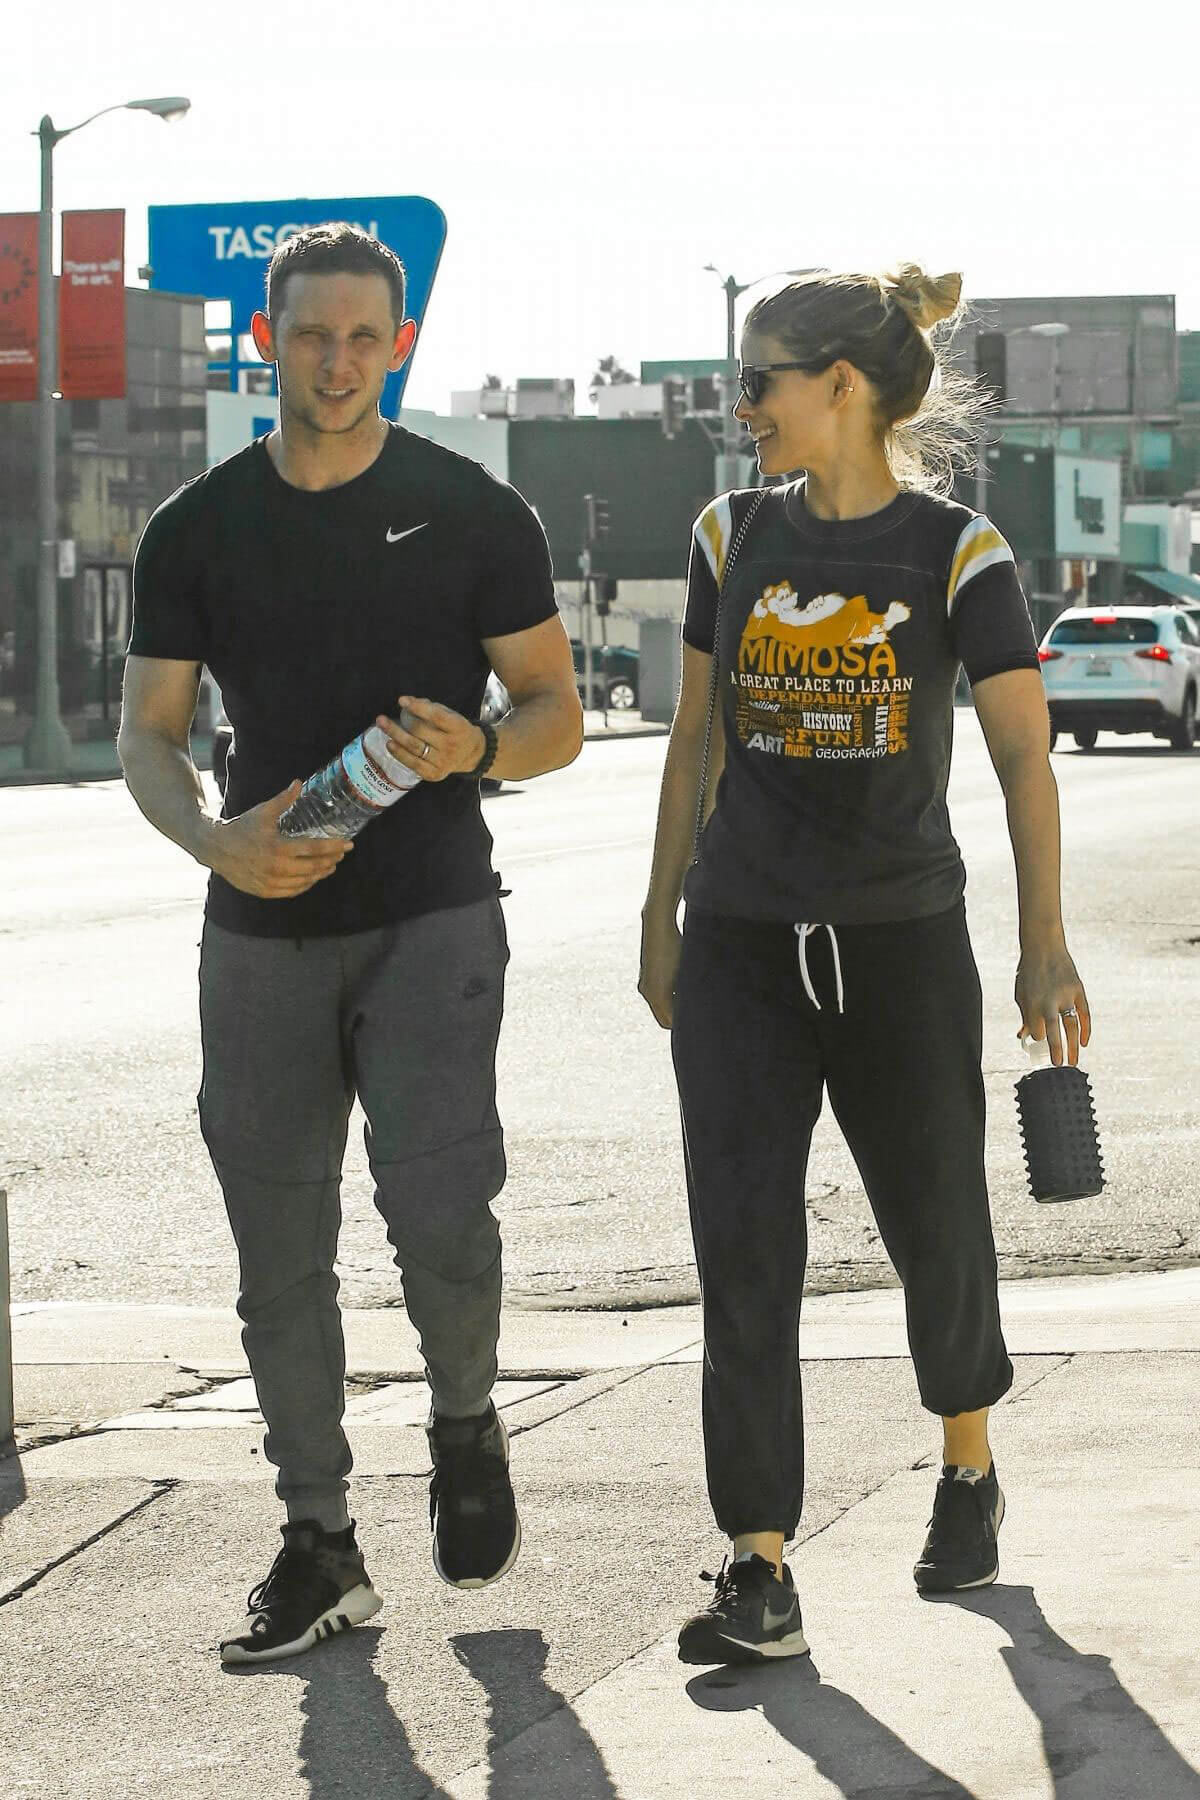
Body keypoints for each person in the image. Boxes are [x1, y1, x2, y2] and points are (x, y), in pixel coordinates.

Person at [119, 223, 582, 1664]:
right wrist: (214, 840)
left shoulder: (471, 510)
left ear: (401, 346)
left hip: (434, 910)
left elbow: (556, 715)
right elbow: (149, 736)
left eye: (362, 338)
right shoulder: (195, 526)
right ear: (269, 339)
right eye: (310, 334)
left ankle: (462, 1419)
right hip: (259, 925)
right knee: (279, 1249)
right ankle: (318, 1538)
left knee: (442, 1213)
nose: (335, 361)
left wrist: (480, 751)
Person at [638, 265, 1091, 1667]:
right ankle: (757, 1561)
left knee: (936, 1222)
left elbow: (1023, 752)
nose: (740, 406)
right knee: (744, 1248)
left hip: (902, 943)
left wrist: (1044, 940)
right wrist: (663, 917)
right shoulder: (730, 534)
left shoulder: (960, 555)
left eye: (758, 380)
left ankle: (967, 1464)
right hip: (744, 946)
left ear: (840, 386)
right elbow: (697, 738)